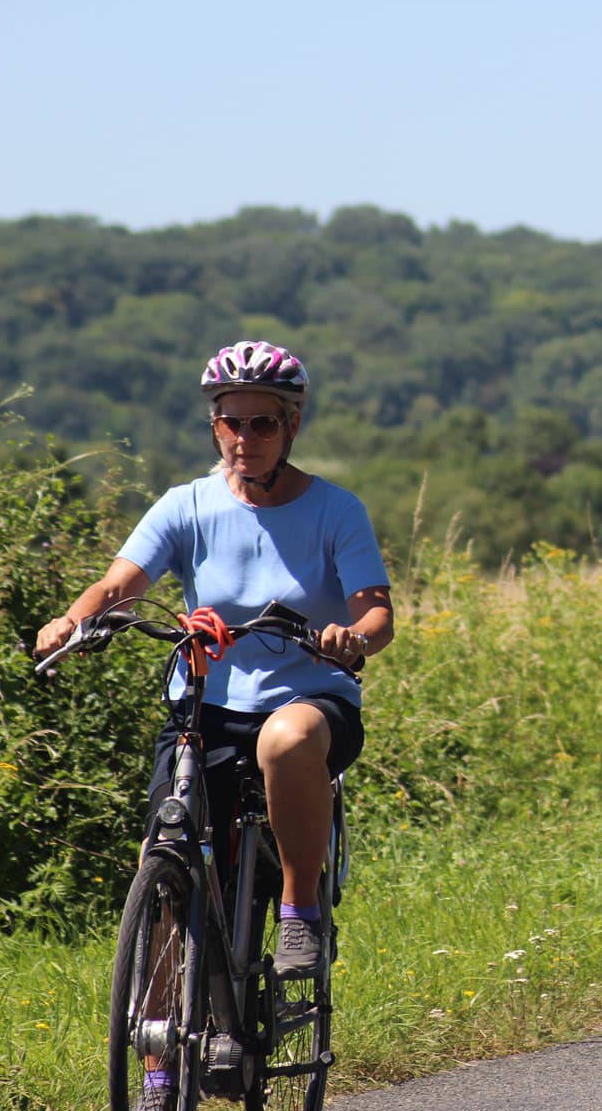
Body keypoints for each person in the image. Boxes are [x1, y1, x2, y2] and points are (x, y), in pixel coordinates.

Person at [36, 339, 394, 975]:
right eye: (232, 421)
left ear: (292, 426)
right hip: (205, 706)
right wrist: (73, 619)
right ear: (214, 425)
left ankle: (298, 911)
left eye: (263, 423)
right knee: (170, 865)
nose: (244, 437)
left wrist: (353, 637)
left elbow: (376, 612)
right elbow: (120, 585)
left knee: (286, 740)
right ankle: (157, 1062)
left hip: (308, 703)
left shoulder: (337, 511)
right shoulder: (188, 505)